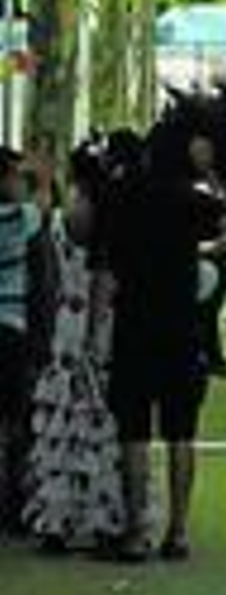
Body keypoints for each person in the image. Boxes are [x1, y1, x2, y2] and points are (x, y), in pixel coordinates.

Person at [105, 135, 219, 562]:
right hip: (182, 328)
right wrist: (208, 171)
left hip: (133, 325)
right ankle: (178, 531)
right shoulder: (191, 200)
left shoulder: (121, 197)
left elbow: (103, 264)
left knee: (133, 433)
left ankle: (136, 532)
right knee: (182, 433)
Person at [25, 165, 122, 553]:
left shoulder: (56, 225)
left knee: (60, 423)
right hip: (103, 327)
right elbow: (108, 282)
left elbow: (47, 281)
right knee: (101, 421)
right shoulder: (112, 227)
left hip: (65, 324)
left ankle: (55, 521)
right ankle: (105, 520)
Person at [0, 150, 48, 536]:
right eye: (16, 175)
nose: (21, 182)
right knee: (18, 421)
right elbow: (42, 279)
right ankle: (15, 506)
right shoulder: (26, 217)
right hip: (14, 327)